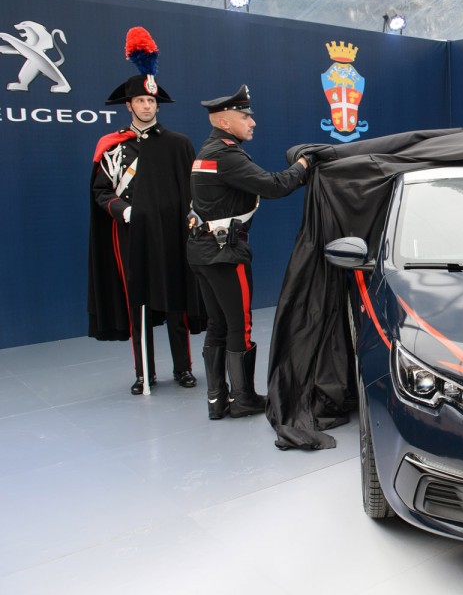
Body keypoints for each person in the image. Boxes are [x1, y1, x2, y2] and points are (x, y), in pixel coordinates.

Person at [88, 26, 202, 395]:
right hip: (132, 236)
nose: (147, 106)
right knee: (138, 304)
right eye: (141, 101)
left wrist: (190, 215)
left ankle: (183, 368)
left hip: (170, 234)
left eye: (152, 102)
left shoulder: (178, 144)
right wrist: (122, 211)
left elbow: (193, 189)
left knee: (176, 304)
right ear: (130, 105)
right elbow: (101, 191)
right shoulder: (113, 146)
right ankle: (145, 373)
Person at [187, 85, 313, 420]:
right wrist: (303, 165)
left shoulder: (207, 151)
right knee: (238, 325)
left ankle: (217, 401)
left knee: (217, 324)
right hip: (225, 254)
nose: (252, 122)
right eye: (245, 116)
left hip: (202, 251)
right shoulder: (226, 156)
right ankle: (242, 400)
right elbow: (275, 186)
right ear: (225, 122)